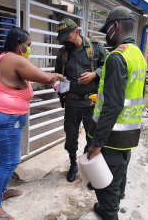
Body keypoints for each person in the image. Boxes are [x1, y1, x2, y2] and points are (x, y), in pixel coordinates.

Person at [0, 27, 64, 220]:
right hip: (4, 116)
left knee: (2, 159)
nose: (29, 49)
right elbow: (44, 77)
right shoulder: (13, 59)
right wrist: (57, 77)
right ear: (19, 44)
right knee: (10, 161)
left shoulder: (2, 57)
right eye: (28, 45)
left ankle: (2, 192)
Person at [87, 6, 147, 220]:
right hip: (128, 133)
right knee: (119, 171)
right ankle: (112, 204)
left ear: (116, 26)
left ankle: (109, 213)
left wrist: (97, 141)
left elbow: (113, 105)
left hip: (112, 135)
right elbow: (137, 92)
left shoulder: (116, 57)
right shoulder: (137, 55)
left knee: (107, 182)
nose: (106, 35)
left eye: (107, 29)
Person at [55, 18, 107, 184]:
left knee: (92, 138)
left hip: (91, 102)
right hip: (71, 103)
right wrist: (59, 85)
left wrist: (95, 74)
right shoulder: (62, 53)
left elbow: (108, 66)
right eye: (62, 38)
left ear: (76, 32)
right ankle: (73, 165)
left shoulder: (96, 47)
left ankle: (90, 168)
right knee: (70, 136)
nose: (65, 41)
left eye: (67, 37)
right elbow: (57, 78)